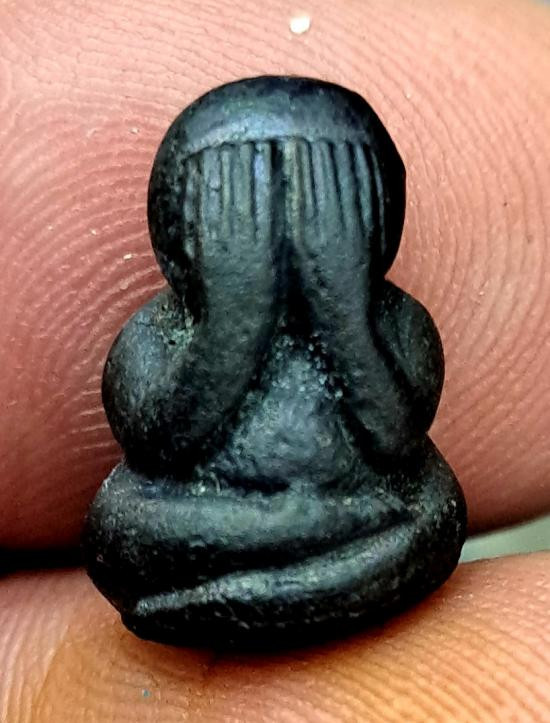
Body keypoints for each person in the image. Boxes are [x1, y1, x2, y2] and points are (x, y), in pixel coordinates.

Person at [0, 0, 549, 719]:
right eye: (237, 204)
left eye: (326, 198)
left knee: (432, 508)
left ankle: (291, 567)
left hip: (359, 504)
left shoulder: (397, 321)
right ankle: (323, 562)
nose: (283, 226)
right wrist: (235, 321)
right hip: (211, 520)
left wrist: (341, 307)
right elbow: (163, 446)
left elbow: (393, 437)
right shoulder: (155, 334)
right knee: (117, 527)